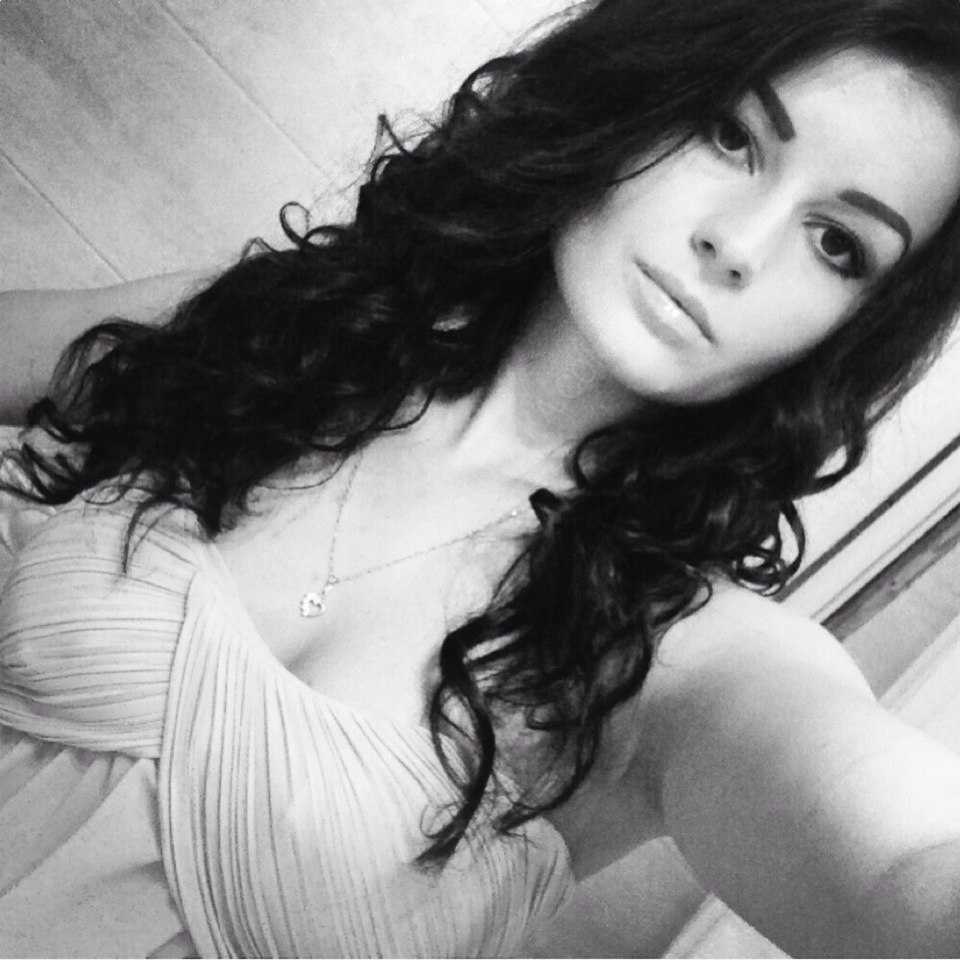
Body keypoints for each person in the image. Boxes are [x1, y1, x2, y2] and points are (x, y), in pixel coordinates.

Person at [3, 0, 960, 955]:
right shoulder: (281, 332)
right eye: (730, 135)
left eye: (838, 245)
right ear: (636, 86)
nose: (739, 246)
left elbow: (900, 863)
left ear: (854, 329)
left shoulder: (687, 662)